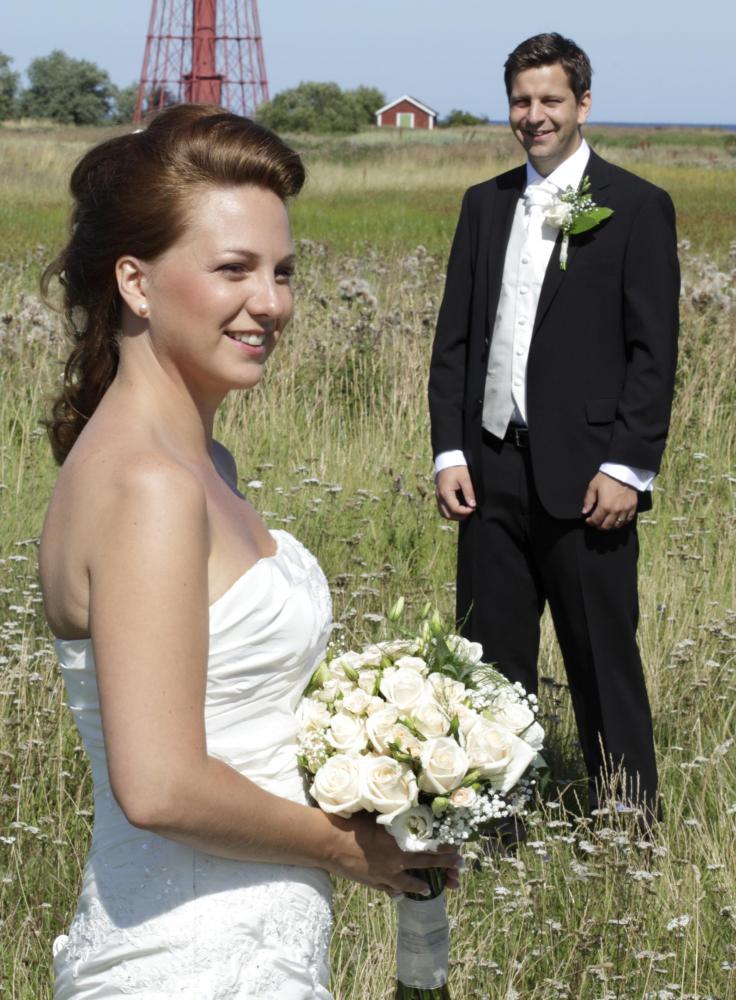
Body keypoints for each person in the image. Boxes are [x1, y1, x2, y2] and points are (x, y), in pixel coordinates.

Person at [39, 104, 460, 999]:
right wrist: (352, 849)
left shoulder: (202, 460)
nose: (269, 302)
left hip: (257, 937)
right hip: (186, 957)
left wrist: (390, 758)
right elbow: (157, 786)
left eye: (282, 271)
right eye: (233, 269)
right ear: (136, 282)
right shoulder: (149, 484)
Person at [428, 33, 679, 822]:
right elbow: (455, 344)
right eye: (521, 102)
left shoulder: (636, 206)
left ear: (583, 106)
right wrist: (449, 449)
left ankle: (626, 826)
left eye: (550, 101)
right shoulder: (485, 203)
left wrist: (628, 466)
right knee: (492, 667)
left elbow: (653, 353)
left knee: (604, 660)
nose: (533, 117)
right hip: (491, 470)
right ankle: (495, 825)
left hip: (588, 477)